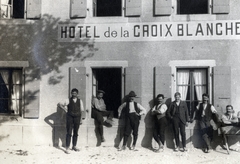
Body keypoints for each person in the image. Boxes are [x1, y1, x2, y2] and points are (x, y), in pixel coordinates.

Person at [57, 88, 84, 154]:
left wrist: (81, 119)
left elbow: (81, 111)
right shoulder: (67, 100)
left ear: (77, 94)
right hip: (70, 117)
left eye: (75, 93)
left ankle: (74, 146)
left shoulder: (80, 101)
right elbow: (59, 104)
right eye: (73, 93)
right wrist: (65, 110)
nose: (74, 94)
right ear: (71, 93)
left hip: (77, 117)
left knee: (76, 132)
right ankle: (67, 148)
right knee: (69, 132)